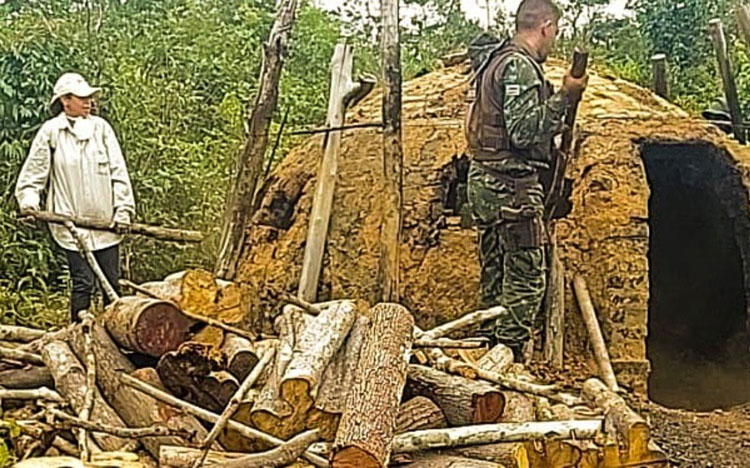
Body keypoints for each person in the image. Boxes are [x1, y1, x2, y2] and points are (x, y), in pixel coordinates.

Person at [465, 0, 588, 358]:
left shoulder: (495, 60)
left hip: (486, 182)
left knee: (495, 274)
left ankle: (486, 349)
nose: (554, 39)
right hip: (510, 188)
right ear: (546, 26)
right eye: (556, 31)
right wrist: (565, 96)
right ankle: (506, 357)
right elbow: (523, 132)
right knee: (527, 278)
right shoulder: (518, 66)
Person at [15, 72, 135, 322]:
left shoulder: (102, 129)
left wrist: (123, 209)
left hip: (106, 224)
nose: (88, 102)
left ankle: (118, 341)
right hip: (71, 226)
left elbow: (118, 171)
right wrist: (29, 203)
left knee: (111, 283)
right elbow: (34, 173)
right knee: (82, 283)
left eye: (89, 97)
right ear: (65, 100)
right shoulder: (52, 132)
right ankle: (80, 336)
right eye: (81, 98)